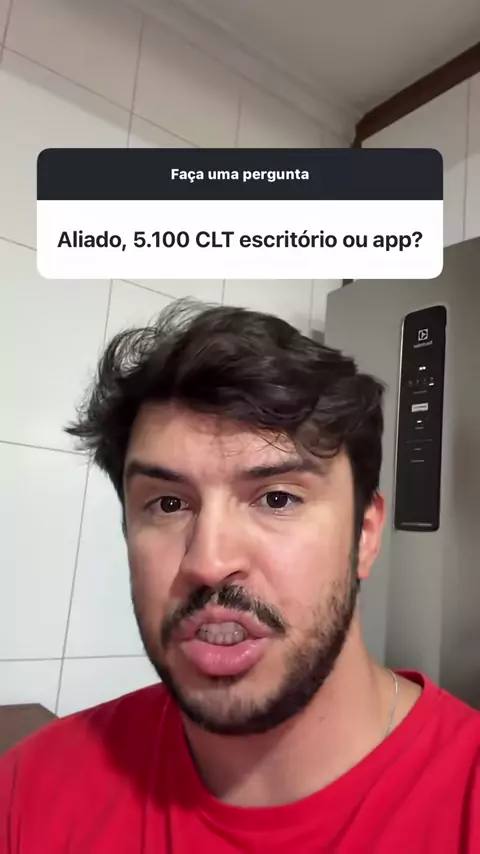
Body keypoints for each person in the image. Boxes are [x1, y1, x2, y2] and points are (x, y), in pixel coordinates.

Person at [0, 299, 479, 853]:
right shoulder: (29, 793)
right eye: (168, 504)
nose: (208, 562)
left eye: (277, 498)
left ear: (364, 536)